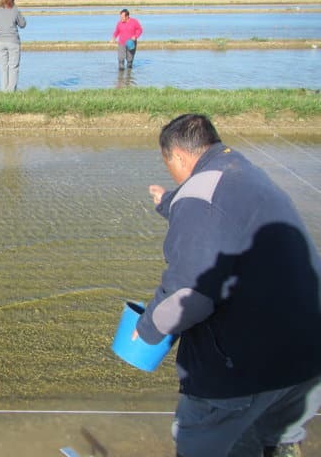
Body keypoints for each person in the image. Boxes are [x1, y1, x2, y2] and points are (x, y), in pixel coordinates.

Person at [136, 114, 321, 457]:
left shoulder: (198, 197)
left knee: (200, 439)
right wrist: (170, 202)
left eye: (169, 164)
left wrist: (146, 330)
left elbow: (190, 296)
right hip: (309, 355)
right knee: (273, 438)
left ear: (177, 156)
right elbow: (217, 207)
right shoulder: (241, 168)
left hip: (247, 365)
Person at [0, 0, 26, 92]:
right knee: (13, 67)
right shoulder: (15, 10)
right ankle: (11, 92)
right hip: (13, 42)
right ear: (12, 1)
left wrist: (1, 28)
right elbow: (23, 24)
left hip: (0, 42)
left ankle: (4, 91)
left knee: (3, 67)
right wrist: (18, 13)